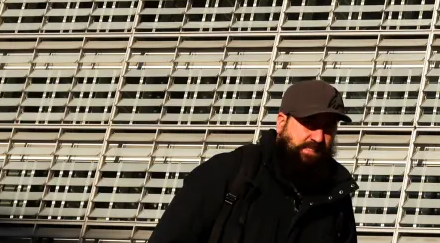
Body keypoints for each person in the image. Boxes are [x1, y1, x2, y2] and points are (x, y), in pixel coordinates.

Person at [149, 79, 356, 243]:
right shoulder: (230, 174)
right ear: (281, 122)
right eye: (309, 123)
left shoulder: (336, 196)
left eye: (328, 127)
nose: (318, 137)